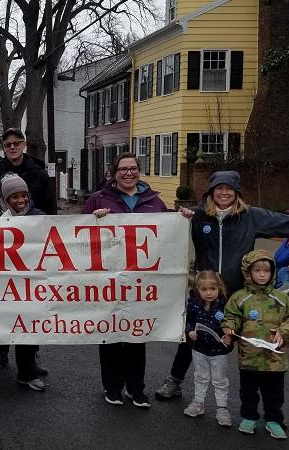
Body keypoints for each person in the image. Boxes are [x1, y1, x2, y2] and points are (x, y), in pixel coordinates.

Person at [155, 171, 289, 400]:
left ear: (237, 192)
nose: (224, 192)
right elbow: (158, 224)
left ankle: (260, 398)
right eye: (219, 188)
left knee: (249, 342)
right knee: (191, 336)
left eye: (229, 188)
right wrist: (181, 215)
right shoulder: (198, 216)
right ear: (211, 192)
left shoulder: (252, 216)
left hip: (240, 293)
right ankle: (175, 380)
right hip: (206, 291)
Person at [83, 152, 168, 408]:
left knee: (136, 335)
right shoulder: (98, 199)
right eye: (123, 169)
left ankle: (136, 388)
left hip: (140, 280)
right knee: (109, 335)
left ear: (139, 171)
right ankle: (112, 387)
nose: (128, 173)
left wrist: (183, 219)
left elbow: (167, 235)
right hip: (107, 279)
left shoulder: (154, 202)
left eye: (133, 168)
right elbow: (77, 234)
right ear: (115, 172)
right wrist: (92, 219)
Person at [0, 173, 46, 392]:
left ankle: (27, 373)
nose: (20, 200)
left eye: (24, 195)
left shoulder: (39, 217)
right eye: (14, 196)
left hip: (27, 285)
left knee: (27, 330)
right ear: (5, 199)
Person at [221, 250, 289, 439]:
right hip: (249, 357)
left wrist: (283, 331)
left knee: (275, 393)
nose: (262, 274)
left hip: (274, 359)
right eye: (257, 270)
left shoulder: (281, 297)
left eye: (266, 271)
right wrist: (229, 328)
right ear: (248, 272)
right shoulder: (240, 297)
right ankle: (248, 417)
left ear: (272, 273)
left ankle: (273, 420)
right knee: (248, 392)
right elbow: (231, 317)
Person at [182, 271, 233, 426]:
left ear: (219, 288)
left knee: (220, 380)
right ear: (198, 289)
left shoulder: (225, 305)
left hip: (219, 352)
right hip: (199, 349)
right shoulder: (194, 304)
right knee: (200, 377)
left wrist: (230, 336)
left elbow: (233, 323)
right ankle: (198, 403)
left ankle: (222, 408)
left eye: (212, 289)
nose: (209, 293)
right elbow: (188, 321)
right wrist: (189, 331)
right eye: (204, 289)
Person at [0, 128, 54, 215]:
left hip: (35, 226)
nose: (12, 147)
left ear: (24, 145)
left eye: (16, 143)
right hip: (2, 227)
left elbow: (50, 209)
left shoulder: (40, 175)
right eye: (8, 145)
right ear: (4, 148)